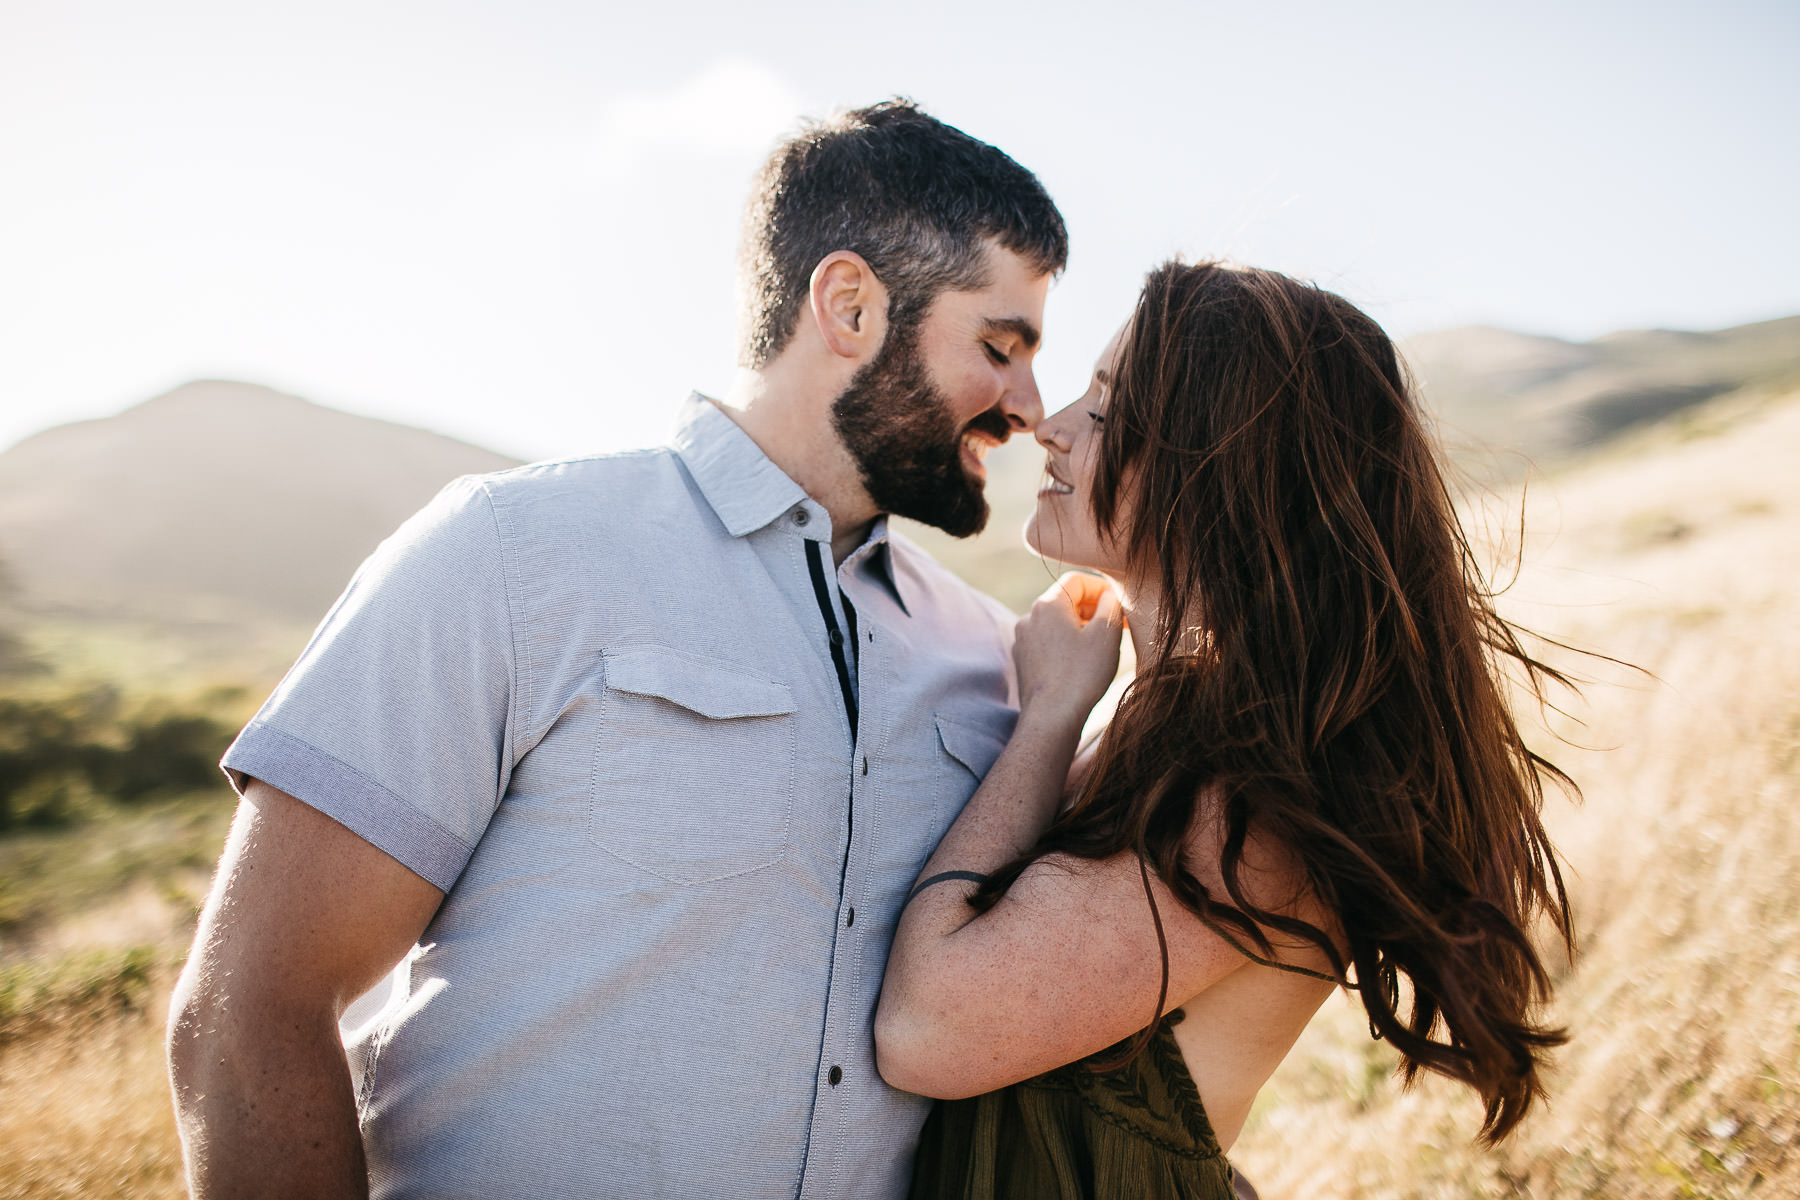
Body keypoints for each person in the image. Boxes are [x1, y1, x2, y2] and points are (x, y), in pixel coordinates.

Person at [166, 99, 1067, 1199]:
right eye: (1000, 346)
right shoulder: (511, 554)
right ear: (849, 305)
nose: (1030, 406)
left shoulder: (990, 654)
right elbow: (248, 1008)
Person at [875, 260, 1575, 1199]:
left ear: (1215, 460)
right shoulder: (1166, 727)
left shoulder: (1244, 790)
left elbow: (926, 1032)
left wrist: (1046, 717)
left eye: (1109, 405)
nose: (1050, 428)